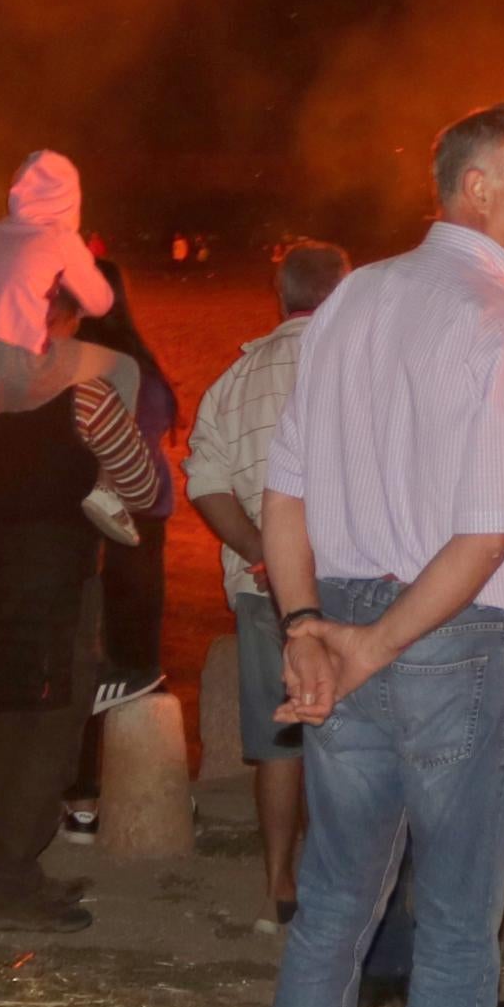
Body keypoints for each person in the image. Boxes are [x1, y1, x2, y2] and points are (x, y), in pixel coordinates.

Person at [245, 102, 504, 1007]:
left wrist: (308, 628)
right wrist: (367, 644)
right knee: (452, 932)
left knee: (332, 907)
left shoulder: (350, 301)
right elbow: (488, 535)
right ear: (477, 188)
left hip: (342, 613)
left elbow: (282, 492)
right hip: (452, 640)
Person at [0, 294, 165, 932]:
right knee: (50, 727)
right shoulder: (87, 396)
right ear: (64, 322)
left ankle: (11, 866)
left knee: (6, 720)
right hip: (57, 576)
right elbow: (144, 487)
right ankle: (9, 886)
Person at [185, 238, 351, 929]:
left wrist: (260, 550)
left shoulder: (236, 379)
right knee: (351, 741)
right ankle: (345, 885)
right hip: (350, 581)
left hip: (263, 592)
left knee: (279, 741)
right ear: (343, 294)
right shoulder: (358, 366)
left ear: (279, 296)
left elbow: (204, 482)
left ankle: (278, 885)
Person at [61, 257, 183, 846]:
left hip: (88, 518)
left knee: (90, 655)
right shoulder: (139, 364)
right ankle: (141, 791)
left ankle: (83, 799)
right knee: (131, 661)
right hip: (140, 520)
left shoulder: (69, 365)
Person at [0, 150, 117, 423]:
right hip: (14, 369)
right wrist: (74, 309)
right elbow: (101, 301)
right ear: (70, 196)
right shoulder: (58, 237)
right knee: (119, 371)